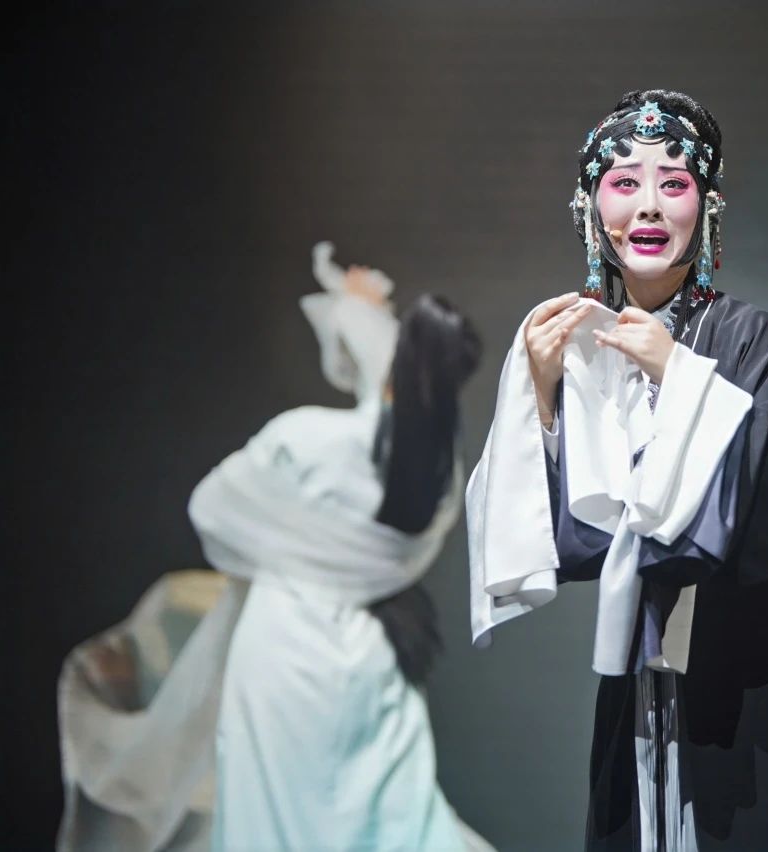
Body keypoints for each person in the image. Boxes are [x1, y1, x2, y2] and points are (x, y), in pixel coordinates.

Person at [468, 90, 768, 850]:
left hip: (757, 654)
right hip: (643, 661)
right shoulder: (573, 342)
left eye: (674, 183)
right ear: (590, 209)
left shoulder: (747, 335)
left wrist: (679, 374)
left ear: (708, 206)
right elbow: (571, 539)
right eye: (624, 182)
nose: (649, 206)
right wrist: (543, 399)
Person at [58, 243, 492, 852]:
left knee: (273, 819)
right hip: (372, 657)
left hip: (286, 651)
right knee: (380, 822)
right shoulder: (442, 474)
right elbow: (390, 389)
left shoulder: (307, 439)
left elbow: (213, 511)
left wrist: (289, 550)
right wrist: (362, 312)